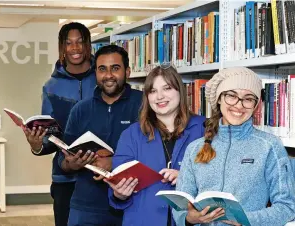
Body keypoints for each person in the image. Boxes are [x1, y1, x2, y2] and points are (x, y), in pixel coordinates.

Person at [173, 67, 295, 226]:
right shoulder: (194, 148)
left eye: (248, 98)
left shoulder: (269, 146)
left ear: (256, 105)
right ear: (219, 98)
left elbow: (287, 207)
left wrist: (246, 220)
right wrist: (188, 219)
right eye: (231, 96)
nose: (239, 105)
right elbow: (180, 206)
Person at [106, 65, 206, 226]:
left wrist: (186, 178)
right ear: (147, 97)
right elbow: (117, 184)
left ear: (179, 91)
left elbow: (220, 179)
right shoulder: (131, 135)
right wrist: (119, 194)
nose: (159, 96)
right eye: (152, 91)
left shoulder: (204, 128)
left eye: (167, 88)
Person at [58, 44, 143, 226]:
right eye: (102, 69)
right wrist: (71, 163)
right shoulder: (80, 109)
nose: (109, 75)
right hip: (86, 208)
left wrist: (115, 163)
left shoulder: (145, 105)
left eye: (115, 68)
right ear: (95, 73)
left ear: (127, 72)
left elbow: (158, 155)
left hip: (133, 205)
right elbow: (62, 161)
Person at [22, 22, 96, 226]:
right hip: (65, 176)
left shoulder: (103, 77)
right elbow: (49, 137)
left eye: (80, 42)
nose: (75, 48)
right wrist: (37, 144)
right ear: (62, 48)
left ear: (88, 45)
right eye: (69, 43)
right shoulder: (52, 87)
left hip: (100, 171)